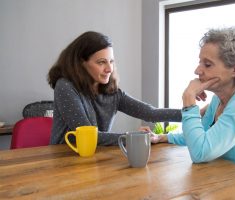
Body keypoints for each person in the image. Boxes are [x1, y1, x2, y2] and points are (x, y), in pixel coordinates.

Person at [142, 26, 235, 176]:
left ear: (234, 69)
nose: (197, 70)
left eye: (207, 64)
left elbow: (200, 152)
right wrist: (162, 137)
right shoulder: (219, 98)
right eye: (200, 62)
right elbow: (200, 136)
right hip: (230, 180)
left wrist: (189, 99)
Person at [47, 31, 181, 146]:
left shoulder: (112, 92)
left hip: (94, 159)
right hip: (63, 161)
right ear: (81, 62)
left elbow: (151, 113)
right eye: (101, 62)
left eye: (111, 61)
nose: (109, 69)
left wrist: (194, 113)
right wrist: (134, 137)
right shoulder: (65, 86)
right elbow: (89, 136)